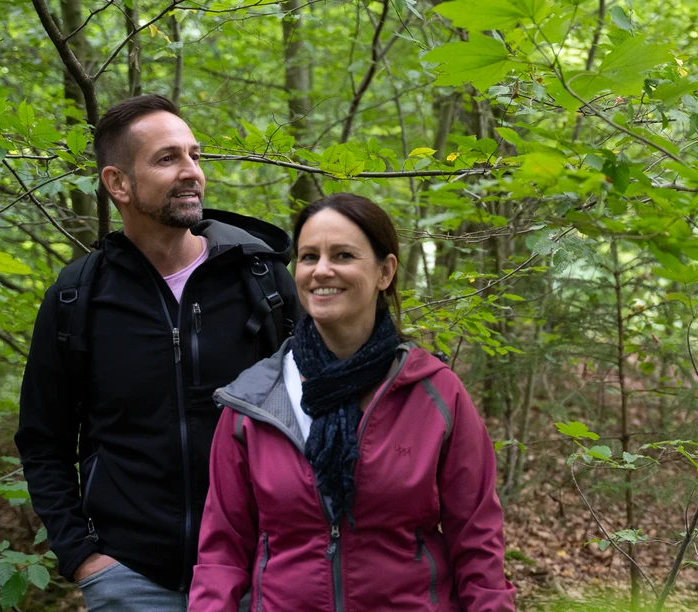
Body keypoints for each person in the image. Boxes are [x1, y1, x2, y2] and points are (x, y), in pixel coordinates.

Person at [16, 94, 297, 611]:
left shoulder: (262, 279)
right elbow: (43, 441)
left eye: (195, 155)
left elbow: (319, 410)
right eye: (168, 159)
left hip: (261, 571)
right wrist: (83, 558)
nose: (192, 171)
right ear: (117, 183)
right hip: (134, 580)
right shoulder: (78, 298)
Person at [189, 194, 516, 611]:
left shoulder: (435, 393)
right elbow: (222, 552)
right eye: (309, 256)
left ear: (385, 271)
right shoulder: (252, 402)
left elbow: (477, 541)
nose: (322, 270)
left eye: (342, 255)